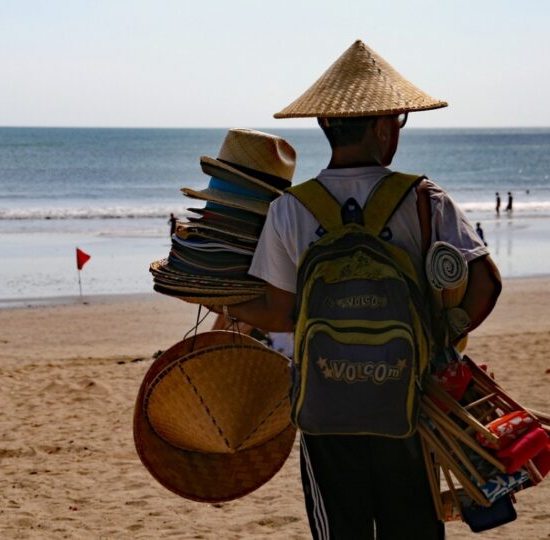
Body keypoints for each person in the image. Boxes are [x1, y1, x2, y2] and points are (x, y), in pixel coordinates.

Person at [211, 40, 501, 539]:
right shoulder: (424, 198)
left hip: (327, 409)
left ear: (326, 125)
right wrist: (441, 334)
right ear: (387, 125)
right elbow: (485, 285)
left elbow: (281, 313)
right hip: (410, 403)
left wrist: (218, 296)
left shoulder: (290, 208)